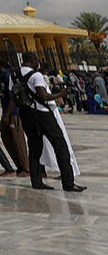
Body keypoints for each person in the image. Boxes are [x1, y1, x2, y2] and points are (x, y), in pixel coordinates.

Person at [15, 51, 83, 192]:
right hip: (42, 114)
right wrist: (60, 94)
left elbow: (12, 96)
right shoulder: (36, 75)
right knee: (60, 146)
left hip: (26, 115)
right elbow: (43, 95)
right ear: (33, 61)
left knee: (34, 148)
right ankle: (68, 183)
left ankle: (36, 181)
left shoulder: (15, 75)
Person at [0, 55, 29, 177]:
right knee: (6, 139)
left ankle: (26, 168)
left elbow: (13, 97)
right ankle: (19, 166)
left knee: (18, 141)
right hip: (6, 113)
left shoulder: (8, 76)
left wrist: (7, 114)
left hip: (13, 114)